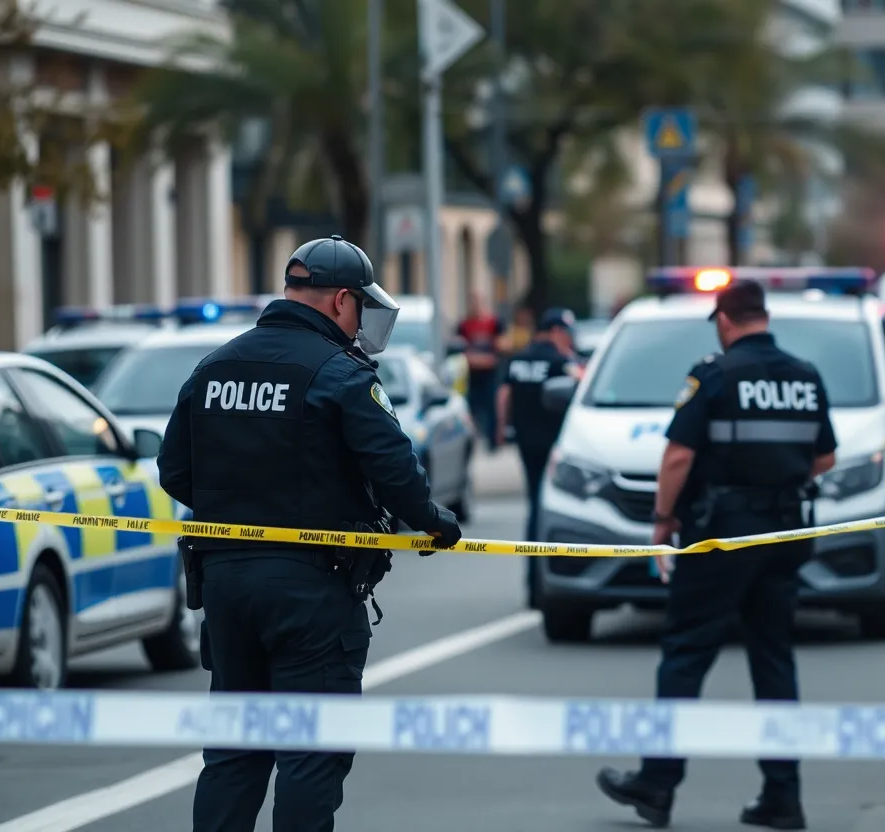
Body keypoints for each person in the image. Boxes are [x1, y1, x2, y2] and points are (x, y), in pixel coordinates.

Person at [157, 234, 463, 832]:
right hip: (312, 591)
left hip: (226, 585)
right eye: (360, 306)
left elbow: (175, 471)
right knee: (309, 754)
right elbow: (395, 471)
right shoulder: (340, 372)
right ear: (342, 300)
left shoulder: (215, 367)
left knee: (233, 755)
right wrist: (435, 523)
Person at [595, 279, 837, 830]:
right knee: (774, 659)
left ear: (725, 321)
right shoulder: (805, 376)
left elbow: (678, 455)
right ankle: (783, 796)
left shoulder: (715, 373)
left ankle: (657, 783)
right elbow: (825, 457)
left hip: (722, 535)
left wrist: (663, 519)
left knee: (686, 653)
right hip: (784, 533)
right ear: (764, 316)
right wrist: (778, 474)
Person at [496, 307, 584, 607]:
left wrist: (502, 429)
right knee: (549, 510)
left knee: (534, 506)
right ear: (557, 331)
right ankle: (544, 583)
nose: (569, 340)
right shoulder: (560, 361)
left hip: (525, 443)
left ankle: (533, 583)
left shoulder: (519, 359)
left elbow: (504, 395)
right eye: (567, 334)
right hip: (554, 446)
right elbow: (580, 385)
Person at [457, 292, 506, 449]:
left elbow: (502, 347)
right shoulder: (464, 325)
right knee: (470, 408)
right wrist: (478, 360)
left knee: (491, 408)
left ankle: (492, 442)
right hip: (471, 377)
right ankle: (473, 440)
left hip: (490, 376)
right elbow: (461, 350)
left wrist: (481, 360)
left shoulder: (494, 323)